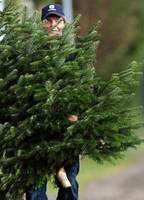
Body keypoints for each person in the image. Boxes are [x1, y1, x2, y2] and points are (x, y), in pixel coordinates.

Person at [26, 4, 80, 200]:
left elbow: (83, 91)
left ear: (64, 23)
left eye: (57, 20)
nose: (53, 25)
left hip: (66, 131)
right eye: (48, 21)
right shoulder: (31, 57)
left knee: (69, 181)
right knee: (34, 186)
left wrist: (74, 115)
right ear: (42, 25)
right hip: (37, 133)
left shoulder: (74, 57)